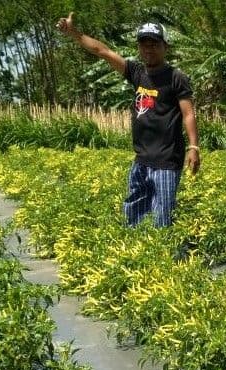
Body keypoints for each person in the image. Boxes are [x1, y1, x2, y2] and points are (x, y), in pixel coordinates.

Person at [56, 13, 200, 228]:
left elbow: (188, 113)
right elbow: (101, 51)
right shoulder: (136, 72)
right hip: (141, 159)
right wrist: (73, 33)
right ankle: (136, 256)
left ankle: (165, 256)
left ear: (165, 47)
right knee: (134, 212)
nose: (149, 49)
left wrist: (194, 146)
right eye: (144, 44)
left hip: (167, 161)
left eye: (154, 44)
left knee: (163, 217)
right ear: (139, 48)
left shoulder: (175, 77)